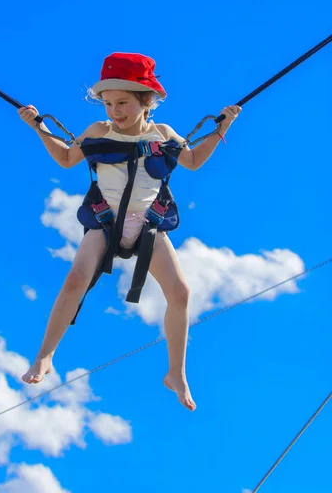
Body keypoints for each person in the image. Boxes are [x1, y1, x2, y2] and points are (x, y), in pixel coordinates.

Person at [19, 52, 241, 411]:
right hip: (105, 223)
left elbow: (194, 161)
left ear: (146, 101)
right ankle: (45, 355)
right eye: (108, 103)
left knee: (181, 292)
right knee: (75, 279)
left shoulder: (164, 134)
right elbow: (65, 159)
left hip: (148, 225)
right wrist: (37, 127)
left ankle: (176, 374)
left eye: (122, 102)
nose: (114, 111)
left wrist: (221, 129)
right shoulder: (97, 131)